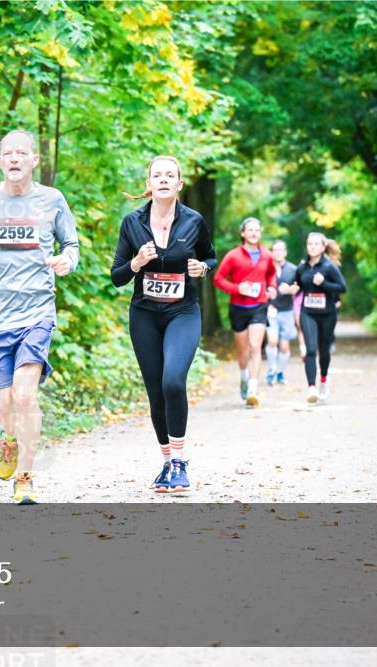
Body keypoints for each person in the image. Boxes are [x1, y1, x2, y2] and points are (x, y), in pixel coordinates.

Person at [0, 129, 80, 504]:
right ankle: (10, 439)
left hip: (36, 311)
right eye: (7, 153)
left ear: (33, 160)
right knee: (1, 404)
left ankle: (25, 477)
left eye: (21, 153)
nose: (14, 158)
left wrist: (66, 261)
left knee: (25, 395)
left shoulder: (52, 200)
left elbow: (71, 244)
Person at [111, 156, 216, 494]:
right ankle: (166, 460)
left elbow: (210, 256)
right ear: (149, 182)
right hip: (144, 315)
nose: (164, 180)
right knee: (155, 389)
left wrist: (203, 267)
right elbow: (117, 277)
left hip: (182, 312)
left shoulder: (194, 221)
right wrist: (137, 262)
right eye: (158, 175)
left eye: (171, 175)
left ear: (180, 184)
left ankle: (180, 463)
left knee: (173, 380)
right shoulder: (132, 223)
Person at [213, 217, 278, 407]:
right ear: (242, 233)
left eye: (257, 230)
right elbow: (218, 279)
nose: (254, 233)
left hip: (259, 306)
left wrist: (272, 287)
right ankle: (243, 376)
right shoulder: (233, 256)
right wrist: (237, 289)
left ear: (260, 233)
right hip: (238, 307)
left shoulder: (267, 255)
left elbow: (271, 274)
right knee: (242, 350)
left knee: (255, 346)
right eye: (250, 230)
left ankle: (253, 387)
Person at [295, 232, 347, 403]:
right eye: (310, 244)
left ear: (323, 247)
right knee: (310, 350)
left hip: (327, 314)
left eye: (316, 244)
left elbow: (342, 287)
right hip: (308, 312)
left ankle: (323, 380)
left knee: (324, 351)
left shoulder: (329, 267)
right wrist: (290, 288)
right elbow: (296, 284)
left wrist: (323, 283)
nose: (312, 247)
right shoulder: (302, 267)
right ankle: (312, 388)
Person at [265, 240, 299, 385]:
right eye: (275, 250)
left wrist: (291, 290)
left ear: (285, 252)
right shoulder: (266, 268)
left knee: (284, 346)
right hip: (271, 310)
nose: (278, 252)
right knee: (272, 341)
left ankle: (280, 372)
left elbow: (299, 288)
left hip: (287, 311)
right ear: (272, 252)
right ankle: (272, 370)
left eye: (281, 250)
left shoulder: (293, 269)